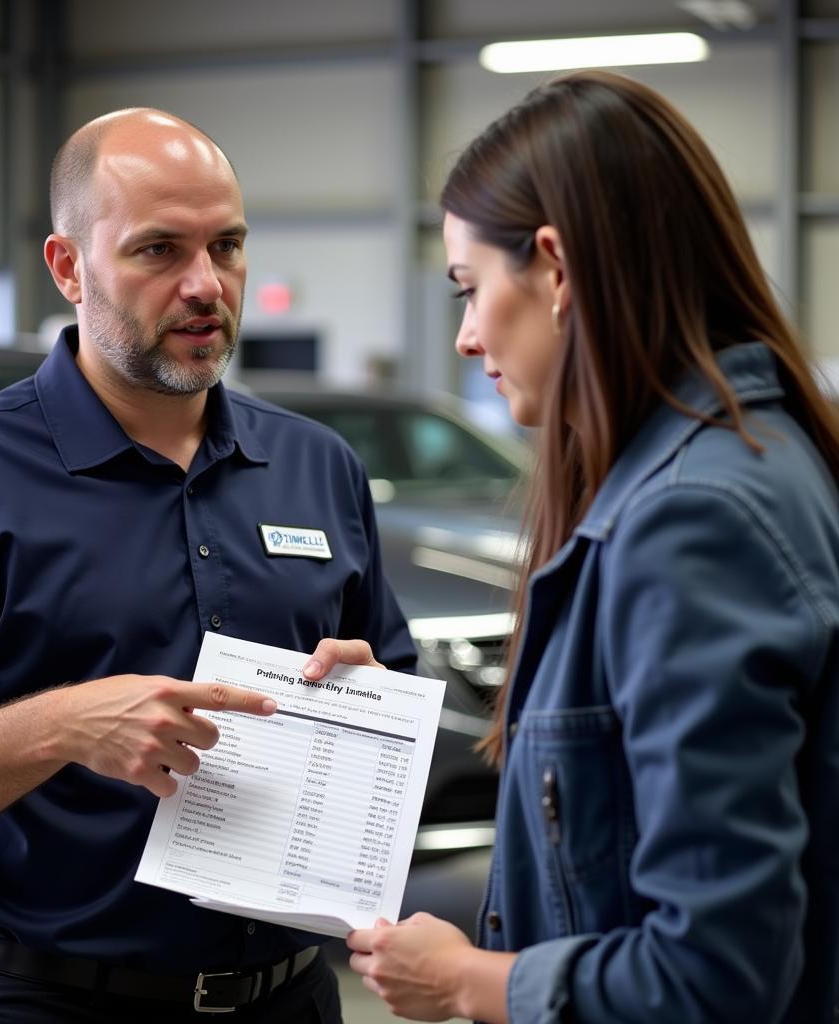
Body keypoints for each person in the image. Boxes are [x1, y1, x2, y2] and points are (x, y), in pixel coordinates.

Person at [0, 108, 417, 1022]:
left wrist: (368, 708)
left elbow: (394, 696)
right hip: (56, 1003)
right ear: (68, 267)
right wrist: (65, 724)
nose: (205, 284)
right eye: (157, 251)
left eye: (227, 245)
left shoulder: (318, 466)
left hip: (290, 1002)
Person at [314, 70, 839, 1022]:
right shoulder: (724, 468)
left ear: (555, 269)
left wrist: (471, 981)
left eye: (471, 290)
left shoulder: (694, 519)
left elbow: (712, 973)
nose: (468, 337)